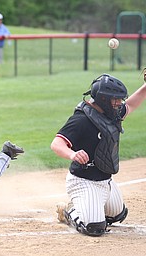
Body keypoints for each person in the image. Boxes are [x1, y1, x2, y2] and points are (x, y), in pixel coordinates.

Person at [51, 74, 146, 236]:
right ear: (103, 99)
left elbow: (130, 105)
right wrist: (73, 154)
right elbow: (57, 143)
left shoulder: (110, 113)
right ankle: (70, 210)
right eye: (115, 100)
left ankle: (89, 206)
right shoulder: (81, 120)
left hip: (105, 181)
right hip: (83, 182)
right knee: (94, 227)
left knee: (117, 215)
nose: (119, 103)